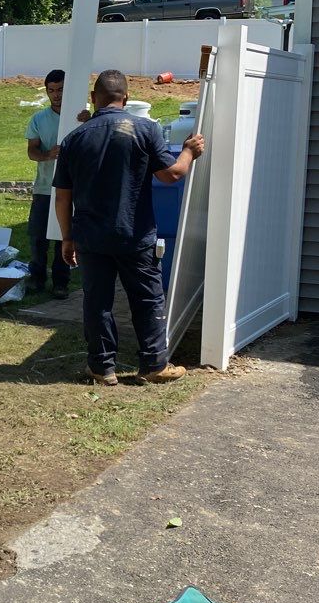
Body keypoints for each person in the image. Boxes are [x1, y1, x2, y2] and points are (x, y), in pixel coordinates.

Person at [52, 69, 205, 386]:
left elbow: (63, 198)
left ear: (94, 99)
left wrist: (67, 237)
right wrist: (189, 151)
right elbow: (171, 175)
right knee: (147, 299)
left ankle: (102, 368)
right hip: (134, 234)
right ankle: (153, 365)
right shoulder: (145, 129)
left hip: (91, 236)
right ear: (126, 98)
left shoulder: (73, 139)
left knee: (97, 302)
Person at [23, 69, 87, 299]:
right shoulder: (39, 119)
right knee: (38, 236)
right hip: (44, 186)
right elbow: (31, 151)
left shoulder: (81, 116)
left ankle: (61, 282)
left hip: (72, 188)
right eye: (51, 91)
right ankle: (37, 278)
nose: (56, 95)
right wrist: (48, 154)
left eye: (60, 90)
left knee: (64, 234)